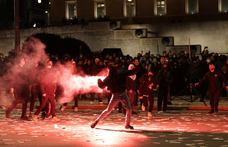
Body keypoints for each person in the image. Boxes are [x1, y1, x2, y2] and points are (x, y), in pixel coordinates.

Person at [90, 62, 138, 129]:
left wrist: (99, 81)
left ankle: (96, 122)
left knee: (109, 110)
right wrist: (134, 70)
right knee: (128, 109)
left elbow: (101, 86)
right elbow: (129, 72)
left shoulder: (110, 77)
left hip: (118, 94)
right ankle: (127, 124)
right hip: (120, 94)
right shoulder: (118, 74)